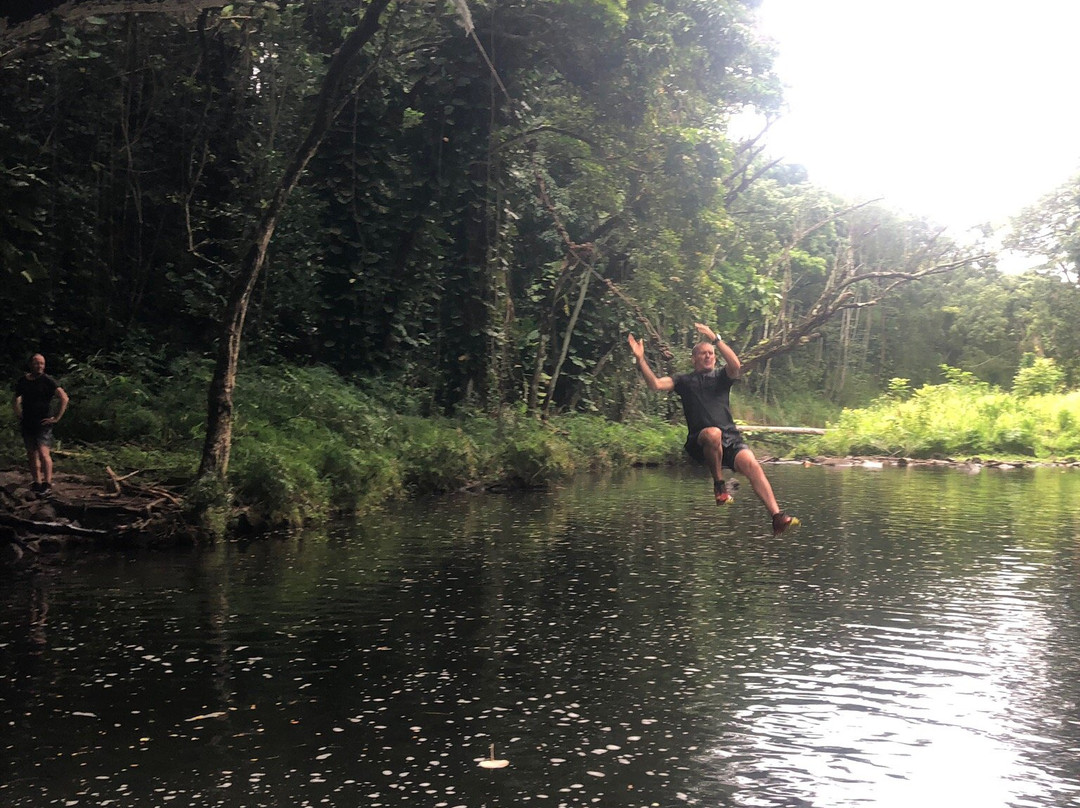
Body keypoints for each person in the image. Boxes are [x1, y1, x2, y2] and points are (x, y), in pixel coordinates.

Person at [628, 323, 798, 536]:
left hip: (730, 438)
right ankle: (719, 486)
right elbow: (655, 384)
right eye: (703, 354)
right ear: (694, 359)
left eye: (711, 354)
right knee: (713, 433)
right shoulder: (684, 380)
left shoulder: (720, 377)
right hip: (700, 441)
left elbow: (735, 365)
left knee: (752, 464)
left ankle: (776, 516)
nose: (708, 356)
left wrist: (716, 339)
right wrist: (640, 359)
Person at [13, 353, 69, 496]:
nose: (39, 366)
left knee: (44, 453)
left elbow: (64, 398)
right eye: (37, 363)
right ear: (31, 364)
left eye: (42, 363)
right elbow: (16, 398)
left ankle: (47, 483)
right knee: (31, 453)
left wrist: (56, 417)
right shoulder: (23, 381)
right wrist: (18, 413)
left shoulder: (48, 380)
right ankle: (37, 482)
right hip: (28, 421)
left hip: (43, 422)